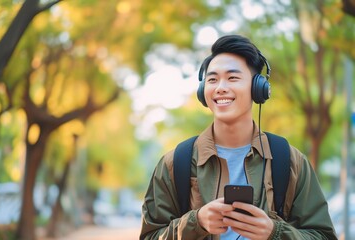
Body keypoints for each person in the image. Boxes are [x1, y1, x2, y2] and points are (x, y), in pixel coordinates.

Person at [140, 34, 337, 239]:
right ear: (202, 91)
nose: (220, 87)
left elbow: (323, 235)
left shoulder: (289, 161)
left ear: (257, 88)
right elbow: (149, 235)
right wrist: (195, 222)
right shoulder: (175, 163)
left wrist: (275, 232)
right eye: (212, 79)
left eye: (233, 78)